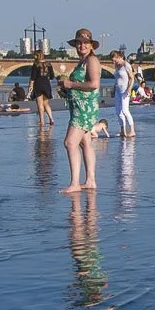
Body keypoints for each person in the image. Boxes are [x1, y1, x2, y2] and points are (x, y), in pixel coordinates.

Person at [62, 29, 103, 192]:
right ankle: (90, 180)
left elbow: (94, 84)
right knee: (85, 143)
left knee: (70, 143)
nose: (82, 45)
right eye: (79, 43)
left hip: (85, 109)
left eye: (85, 43)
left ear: (91, 45)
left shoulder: (92, 61)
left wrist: (71, 85)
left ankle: (74, 183)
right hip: (79, 107)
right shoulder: (82, 61)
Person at [110, 48, 137, 138]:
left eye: (114, 60)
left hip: (125, 90)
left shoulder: (126, 65)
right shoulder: (117, 66)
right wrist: (113, 89)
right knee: (118, 111)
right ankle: (123, 130)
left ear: (118, 57)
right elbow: (116, 79)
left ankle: (132, 130)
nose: (113, 62)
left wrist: (129, 89)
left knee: (125, 110)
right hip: (118, 90)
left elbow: (132, 78)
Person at [30, 50, 56, 134]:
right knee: (46, 104)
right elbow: (52, 76)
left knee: (40, 104)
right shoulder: (48, 64)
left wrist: (30, 86)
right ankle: (51, 119)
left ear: (37, 56)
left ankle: (42, 121)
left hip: (38, 84)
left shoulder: (36, 64)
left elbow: (33, 77)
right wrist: (47, 78)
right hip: (46, 84)